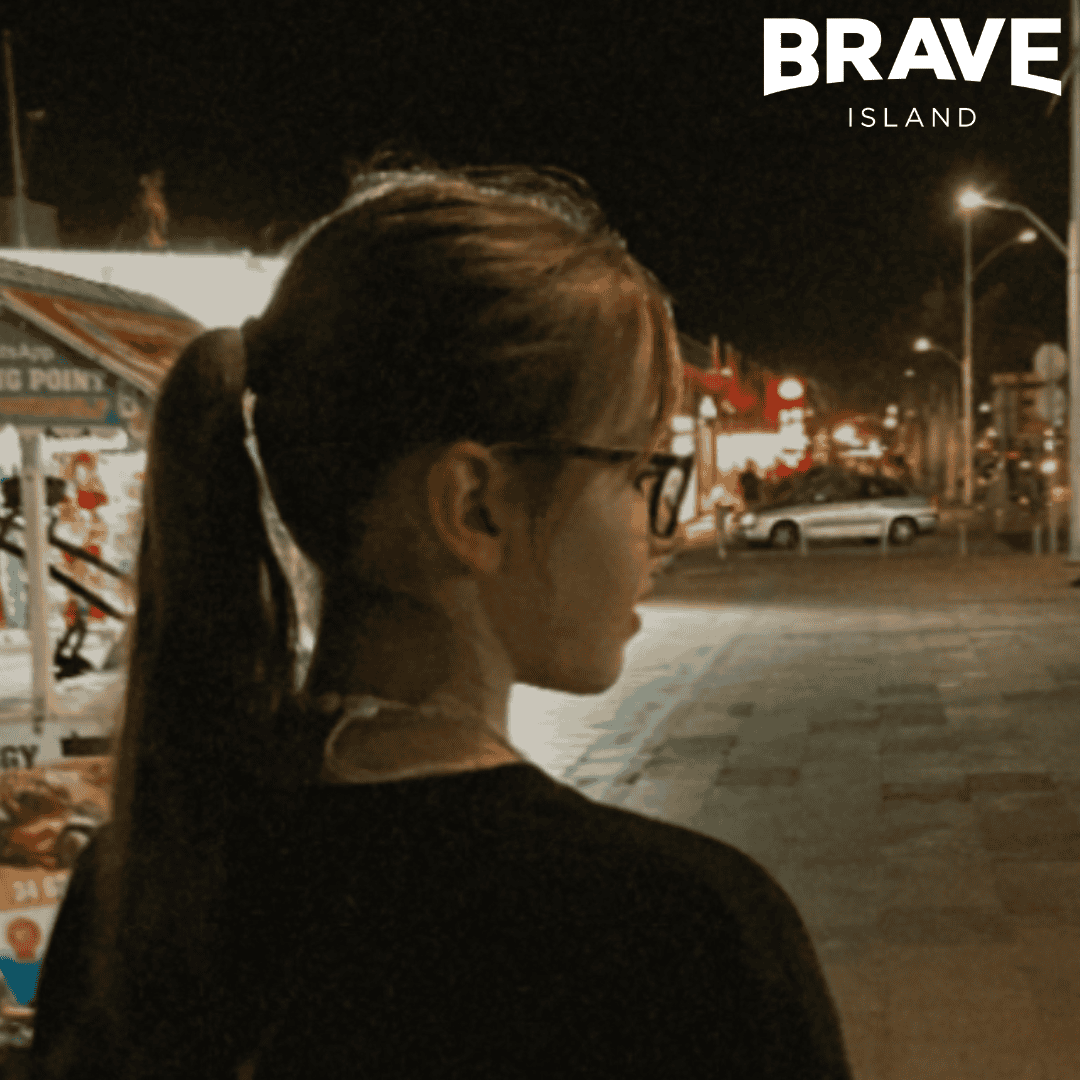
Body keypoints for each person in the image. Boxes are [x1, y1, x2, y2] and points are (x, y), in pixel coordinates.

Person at [29, 163, 852, 1080]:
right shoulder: (680, 934)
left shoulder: (136, 894)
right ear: (475, 508)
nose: (658, 535)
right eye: (635, 472)